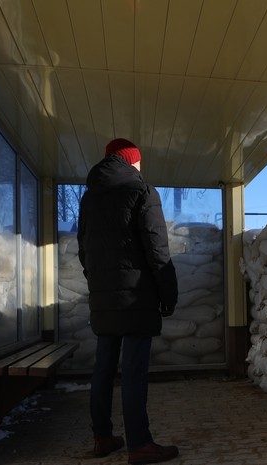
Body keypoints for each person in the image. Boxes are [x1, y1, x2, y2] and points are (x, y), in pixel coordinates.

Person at [77, 138, 179, 464]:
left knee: (104, 369)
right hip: (137, 299)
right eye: (139, 163)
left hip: (103, 299)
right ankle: (140, 444)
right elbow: (157, 250)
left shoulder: (90, 198)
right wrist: (168, 294)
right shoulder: (142, 192)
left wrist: (98, 286)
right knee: (134, 372)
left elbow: (84, 251)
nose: (140, 168)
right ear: (131, 161)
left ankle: (102, 437)